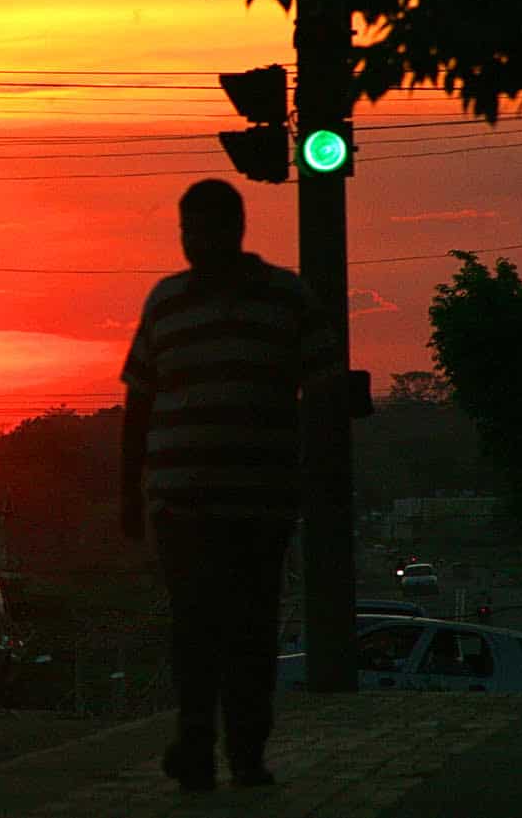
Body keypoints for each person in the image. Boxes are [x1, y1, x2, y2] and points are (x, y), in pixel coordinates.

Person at [119, 179, 339, 792]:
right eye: (188, 230)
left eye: (207, 228)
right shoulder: (166, 302)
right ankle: (196, 745)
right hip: (182, 504)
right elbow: (137, 403)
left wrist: (318, 482)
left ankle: (244, 753)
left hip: (259, 502)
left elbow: (322, 397)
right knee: (194, 628)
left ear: (236, 229)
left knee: (248, 630)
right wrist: (129, 494)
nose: (197, 241)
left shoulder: (289, 298)